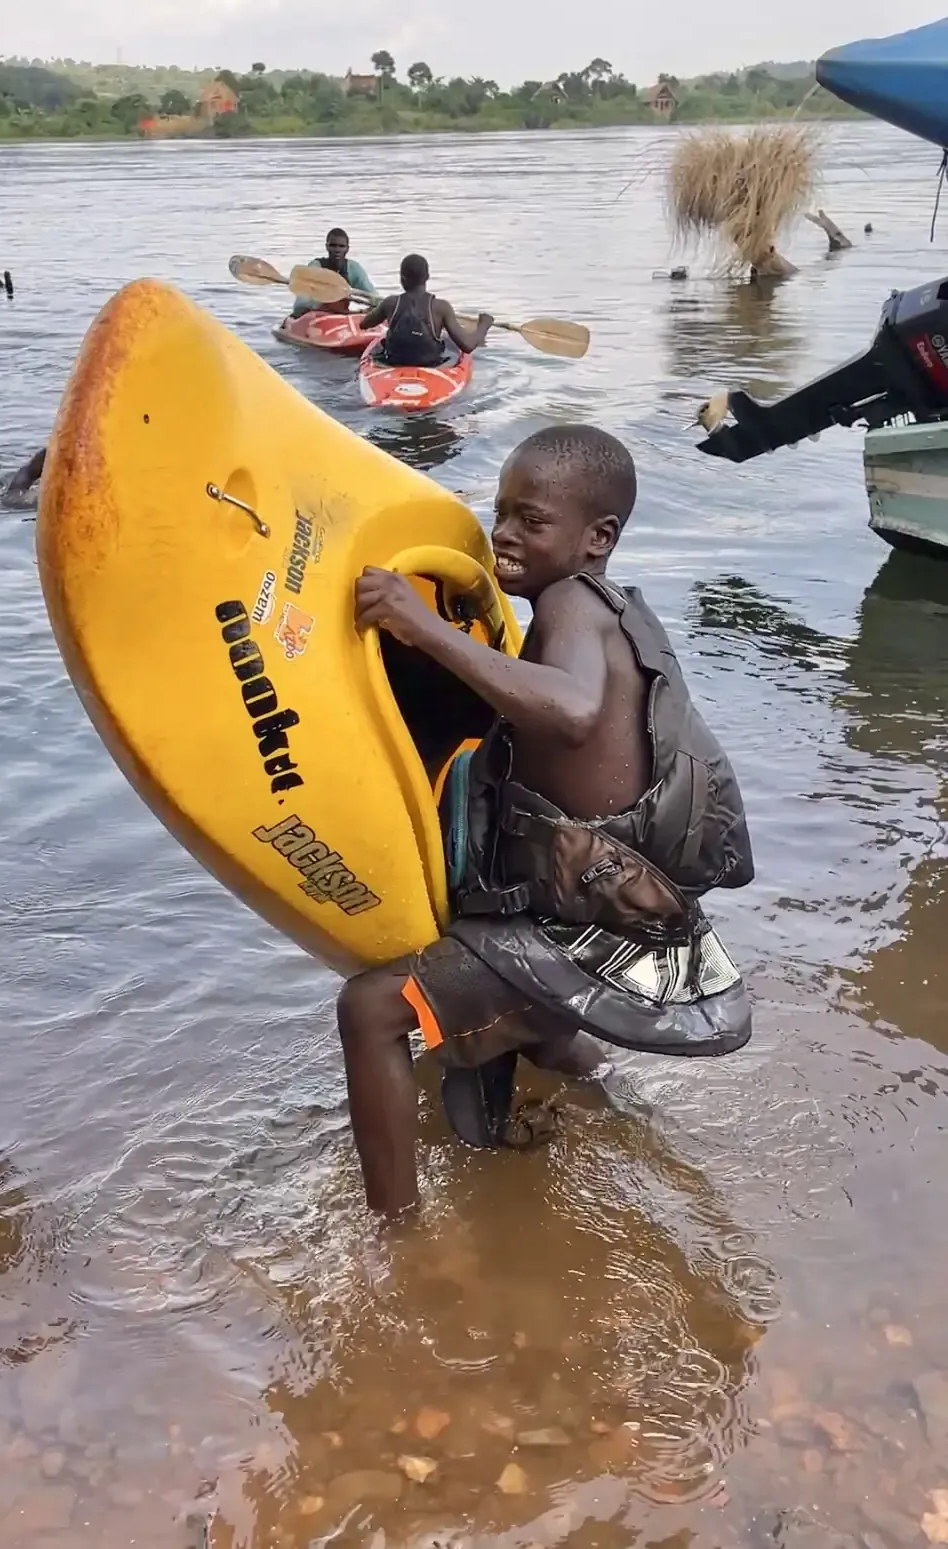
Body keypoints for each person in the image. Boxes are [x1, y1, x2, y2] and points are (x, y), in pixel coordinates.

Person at [344, 424, 755, 1216]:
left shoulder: (570, 603)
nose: (502, 533)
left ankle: (395, 1237)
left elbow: (568, 713)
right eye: (499, 512)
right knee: (532, 1020)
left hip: (581, 929)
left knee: (369, 1010)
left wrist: (418, 621)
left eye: (530, 520)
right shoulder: (616, 614)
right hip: (616, 910)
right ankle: (629, 1121)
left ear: (597, 538)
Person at [360, 254, 493, 367]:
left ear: (401, 278)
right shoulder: (441, 307)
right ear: (427, 277)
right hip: (430, 365)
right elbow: (467, 346)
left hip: (394, 363)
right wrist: (483, 325)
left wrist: (377, 311)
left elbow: (364, 324)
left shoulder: (390, 303)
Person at [291, 228, 376, 318]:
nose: (337, 250)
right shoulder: (316, 267)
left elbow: (373, 296)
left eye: (341, 246)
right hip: (317, 316)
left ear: (347, 249)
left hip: (342, 317)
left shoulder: (353, 268)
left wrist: (375, 308)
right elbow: (300, 305)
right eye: (333, 245)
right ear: (327, 247)